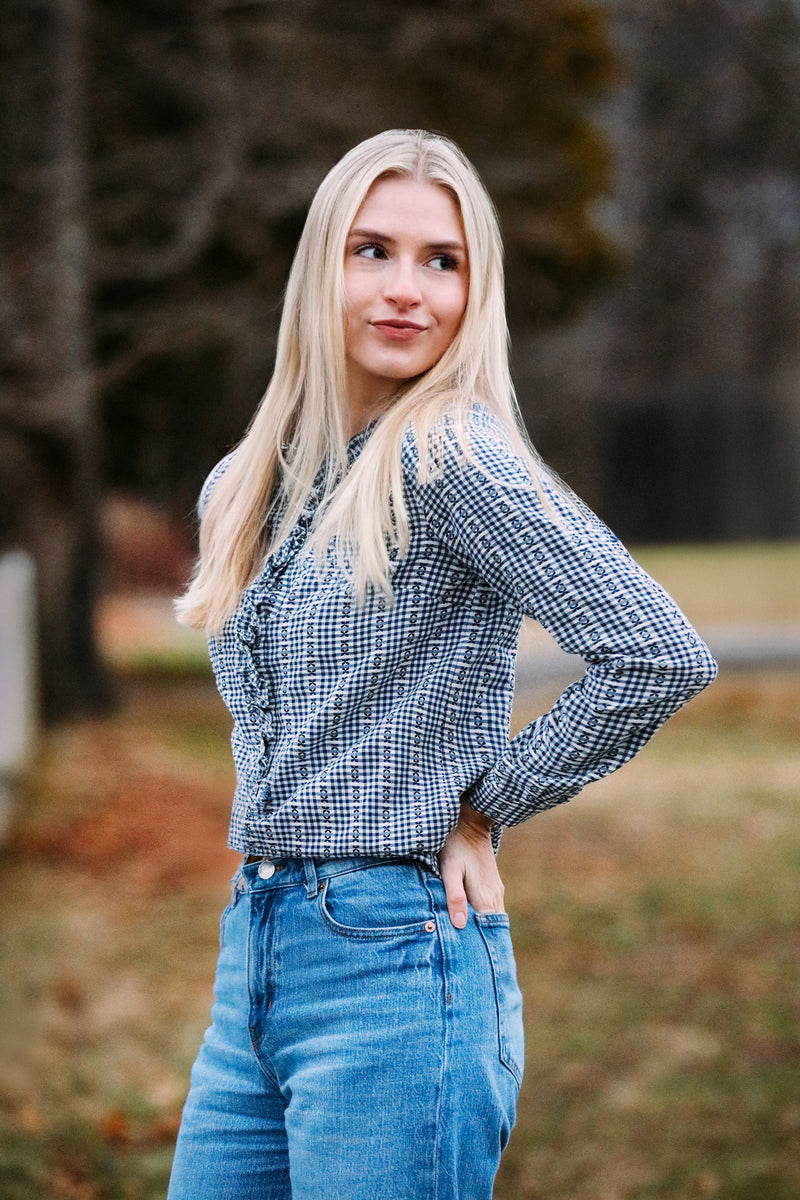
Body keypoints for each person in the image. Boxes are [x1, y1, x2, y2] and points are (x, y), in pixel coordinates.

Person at [167, 129, 717, 1200]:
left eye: (442, 260)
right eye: (372, 250)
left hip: (397, 972)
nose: (405, 289)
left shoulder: (449, 453)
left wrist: (484, 804)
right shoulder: (243, 483)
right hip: (257, 963)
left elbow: (652, 651)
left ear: (476, 289)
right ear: (320, 265)